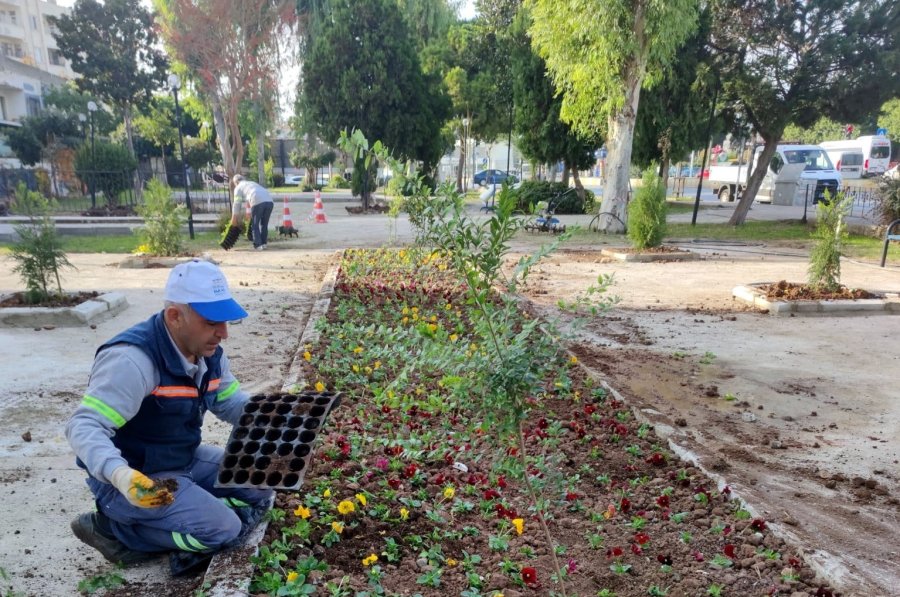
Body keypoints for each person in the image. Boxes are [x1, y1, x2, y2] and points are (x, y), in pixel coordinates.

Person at [67, 259, 273, 574]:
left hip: (182, 457)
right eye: (212, 322)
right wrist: (122, 476)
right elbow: (84, 426)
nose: (224, 333)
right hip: (139, 474)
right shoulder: (133, 360)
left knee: (262, 484)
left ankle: (192, 505)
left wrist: (275, 418)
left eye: (226, 320)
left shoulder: (208, 352)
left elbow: (230, 403)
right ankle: (115, 529)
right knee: (225, 529)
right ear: (175, 316)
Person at [231, 174, 274, 250]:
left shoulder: (238, 187)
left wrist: (234, 218)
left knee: (255, 224)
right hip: (269, 201)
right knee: (264, 224)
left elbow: (237, 204)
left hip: (257, 200)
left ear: (236, 182)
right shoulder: (251, 183)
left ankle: (258, 245)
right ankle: (264, 243)